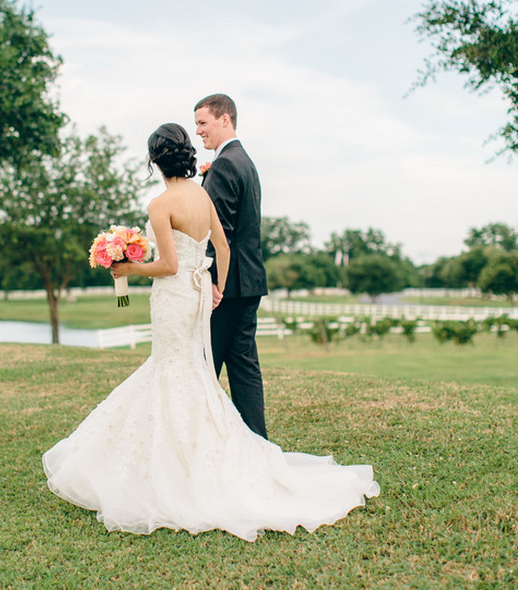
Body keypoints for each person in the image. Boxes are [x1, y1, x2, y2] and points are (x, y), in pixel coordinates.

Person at [42, 123, 379, 541]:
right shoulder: (201, 194)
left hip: (171, 297)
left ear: (154, 161)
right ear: (184, 155)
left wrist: (128, 269)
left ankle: (173, 468)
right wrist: (216, 285)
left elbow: (166, 266)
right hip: (197, 294)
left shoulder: (160, 204)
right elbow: (222, 246)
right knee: (187, 370)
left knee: (170, 367)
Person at [194, 94, 268, 438]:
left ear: (225, 120)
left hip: (227, 285)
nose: (198, 131)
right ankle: (257, 445)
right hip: (249, 281)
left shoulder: (224, 164)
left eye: (203, 123)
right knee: (243, 367)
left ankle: (205, 443)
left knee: (204, 366)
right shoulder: (246, 161)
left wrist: (212, 281)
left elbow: (217, 232)